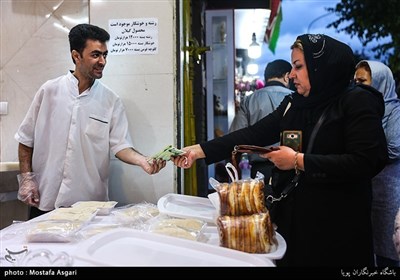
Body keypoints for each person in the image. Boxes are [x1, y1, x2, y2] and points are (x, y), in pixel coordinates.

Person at [172, 34, 388, 266]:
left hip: (337, 226)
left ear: (321, 67)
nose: (292, 74)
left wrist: (298, 160)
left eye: (298, 66)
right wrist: (197, 150)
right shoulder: (294, 103)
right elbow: (252, 134)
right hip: (295, 223)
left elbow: (367, 161)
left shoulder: (356, 102)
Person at [15, 24, 166, 219]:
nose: (102, 61)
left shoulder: (110, 100)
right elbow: (26, 140)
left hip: (89, 206)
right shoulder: (49, 91)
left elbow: (120, 145)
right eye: (96, 55)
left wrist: (143, 161)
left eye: (105, 55)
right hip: (45, 201)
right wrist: (27, 180)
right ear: (76, 56)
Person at [354, 60, 400, 267]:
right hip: (367, 190)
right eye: (355, 81)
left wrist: (363, 154)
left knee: (388, 252)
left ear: (380, 82)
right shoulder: (362, 112)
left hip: (390, 193)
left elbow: (394, 147)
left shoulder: (395, 112)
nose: (358, 87)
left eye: (363, 81)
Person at [229, 59, 293, 182]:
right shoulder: (295, 98)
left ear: (267, 77)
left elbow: (235, 137)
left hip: (261, 170)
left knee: (261, 200)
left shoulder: (249, 100)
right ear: (286, 76)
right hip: (292, 168)